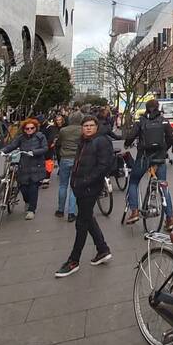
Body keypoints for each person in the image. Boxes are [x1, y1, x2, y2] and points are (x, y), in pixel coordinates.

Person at [55, 115, 114, 278]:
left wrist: (87, 181)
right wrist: (75, 181)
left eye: (91, 125)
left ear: (96, 127)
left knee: (81, 223)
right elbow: (78, 162)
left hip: (90, 188)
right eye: (85, 125)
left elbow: (104, 166)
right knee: (88, 219)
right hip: (80, 186)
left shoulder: (101, 141)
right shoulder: (83, 141)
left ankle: (74, 260)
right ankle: (102, 249)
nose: (88, 128)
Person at [123, 99, 173, 229]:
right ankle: (170, 219)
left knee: (134, 182)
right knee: (163, 185)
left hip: (144, 158)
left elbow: (131, 136)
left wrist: (127, 144)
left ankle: (134, 211)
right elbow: (171, 137)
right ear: (157, 107)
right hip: (159, 159)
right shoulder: (164, 121)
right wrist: (164, 150)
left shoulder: (140, 121)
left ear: (146, 108)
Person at [1, 118, 48, 219]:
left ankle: (31, 209)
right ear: (24, 129)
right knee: (23, 188)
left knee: (33, 188)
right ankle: (27, 201)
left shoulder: (40, 137)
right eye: (27, 128)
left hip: (36, 166)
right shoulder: (21, 138)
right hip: (24, 165)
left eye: (32, 128)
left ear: (36, 128)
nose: (29, 130)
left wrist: (34, 152)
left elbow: (45, 148)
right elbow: (12, 146)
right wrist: (2, 151)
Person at [54, 111, 83, 221]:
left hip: (65, 158)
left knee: (62, 185)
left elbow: (59, 142)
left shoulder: (63, 130)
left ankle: (60, 210)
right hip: (77, 159)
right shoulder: (82, 130)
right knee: (73, 186)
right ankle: (71, 212)